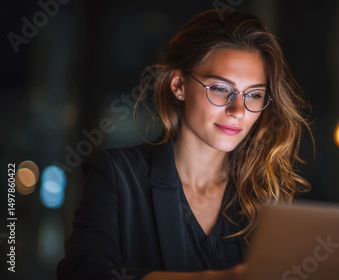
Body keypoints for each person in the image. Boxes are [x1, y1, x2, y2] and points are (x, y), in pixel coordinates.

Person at [57, 9, 312, 280]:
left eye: (255, 95)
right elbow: (82, 272)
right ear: (179, 85)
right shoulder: (117, 175)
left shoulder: (265, 194)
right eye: (220, 88)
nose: (238, 110)